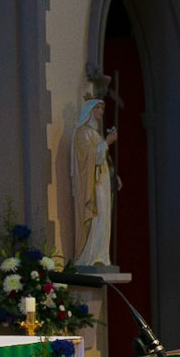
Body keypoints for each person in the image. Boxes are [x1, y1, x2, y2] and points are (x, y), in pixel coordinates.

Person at [70, 94, 118, 267]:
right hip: (92, 183)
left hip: (102, 181)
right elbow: (88, 159)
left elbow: (104, 160)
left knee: (105, 217)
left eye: (103, 108)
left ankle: (101, 255)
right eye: (98, 108)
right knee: (97, 216)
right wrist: (107, 142)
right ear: (89, 111)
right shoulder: (82, 133)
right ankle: (89, 257)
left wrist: (114, 176)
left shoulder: (95, 135)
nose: (101, 111)